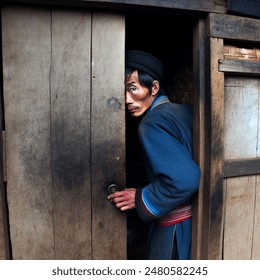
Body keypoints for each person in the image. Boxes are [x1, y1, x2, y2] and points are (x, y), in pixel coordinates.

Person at [107, 50, 201, 260]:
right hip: (196, 224)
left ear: (154, 88)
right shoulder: (184, 111)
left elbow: (186, 179)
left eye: (133, 89)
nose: (127, 99)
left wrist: (143, 197)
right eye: (123, 91)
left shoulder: (152, 123)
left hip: (174, 227)